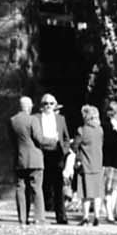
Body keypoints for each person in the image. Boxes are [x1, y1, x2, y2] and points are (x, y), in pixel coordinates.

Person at [33, 93, 72, 223]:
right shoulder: (36, 118)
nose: (48, 106)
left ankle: (61, 216)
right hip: (42, 154)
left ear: (55, 105)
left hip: (56, 154)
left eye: (51, 103)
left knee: (58, 186)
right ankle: (40, 215)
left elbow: (66, 137)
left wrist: (64, 150)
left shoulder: (60, 119)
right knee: (43, 185)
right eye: (45, 103)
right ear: (41, 105)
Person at [8, 94, 44, 225]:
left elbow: (12, 140)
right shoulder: (32, 120)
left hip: (20, 158)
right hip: (35, 158)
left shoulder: (12, 120)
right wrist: (52, 141)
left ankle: (22, 218)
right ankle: (38, 218)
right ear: (29, 107)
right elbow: (39, 139)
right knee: (36, 189)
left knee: (20, 188)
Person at [74, 104, 105, 226]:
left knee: (85, 193)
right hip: (97, 164)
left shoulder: (82, 130)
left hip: (85, 165)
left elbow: (75, 145)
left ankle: (86, 217)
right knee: (97, 193)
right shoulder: (100, 130)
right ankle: (97, 216)